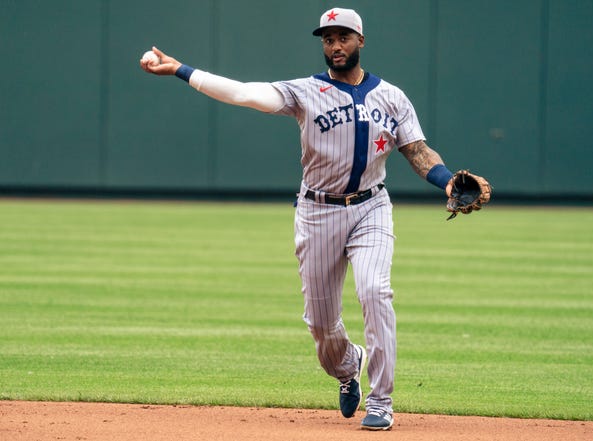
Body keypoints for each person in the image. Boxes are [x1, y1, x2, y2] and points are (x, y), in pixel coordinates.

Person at [140, 7, 455, 431]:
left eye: (343, 37)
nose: (335, 45)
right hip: (317, 212)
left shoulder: (392, 97)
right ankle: (348, 367)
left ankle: (382, 399)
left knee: (376, 291)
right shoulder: (303, 91)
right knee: (322, 324)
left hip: (371, 208)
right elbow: (243, 93)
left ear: (361, 41)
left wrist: (448, 182)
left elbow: (417, 151)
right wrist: (181, 69)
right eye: (327, 39)